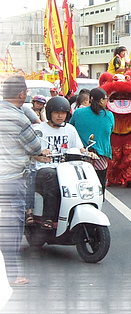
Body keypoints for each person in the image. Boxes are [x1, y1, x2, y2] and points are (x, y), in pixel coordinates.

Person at [0, 75, 43, 286]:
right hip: (10, 181)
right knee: (11, 229)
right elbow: (35, 147)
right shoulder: (19, 118)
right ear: (21, 94)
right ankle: (10, 276)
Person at [32, 96, 92, 230]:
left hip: (67, 169)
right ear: (49, 114)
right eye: (57, 113)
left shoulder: (70, 129)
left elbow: (80, 148)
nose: (60, 116)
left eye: (63, 113)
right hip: (44, 170)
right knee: (53, 176)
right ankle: (48, 217)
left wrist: (89, 153)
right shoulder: (39, 130)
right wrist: (40, 154)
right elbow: (31, 153)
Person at [70, 88, 115, 196]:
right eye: (106, 99)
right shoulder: (108, 115)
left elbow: (71, 128)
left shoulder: (78, 112)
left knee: (80, 182)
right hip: (100, 155)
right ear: (100, 101)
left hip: (81, 153)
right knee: (99, 184)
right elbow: (110, 131)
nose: (107, 101)